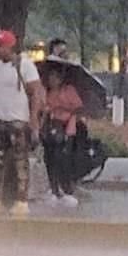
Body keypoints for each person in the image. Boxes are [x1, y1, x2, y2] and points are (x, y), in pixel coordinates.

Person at [0, 30, 43, 215]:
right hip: (0, 120)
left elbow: (36, 93)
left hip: (19, 120)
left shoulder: (25, 65)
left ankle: (22, 200)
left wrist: (33, 119)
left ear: (10, 46)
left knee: (20, 162)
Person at [42, 67, 82, 206]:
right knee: (50, 158)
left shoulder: (69, 90)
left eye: (55, 76)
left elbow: (77, 107)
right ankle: (53, 188)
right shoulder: (47, 91)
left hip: (66, 128)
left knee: (62, 159)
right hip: (50, 127)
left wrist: (63, 108)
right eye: (50, 77)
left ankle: (67, 189)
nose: (52, 80)